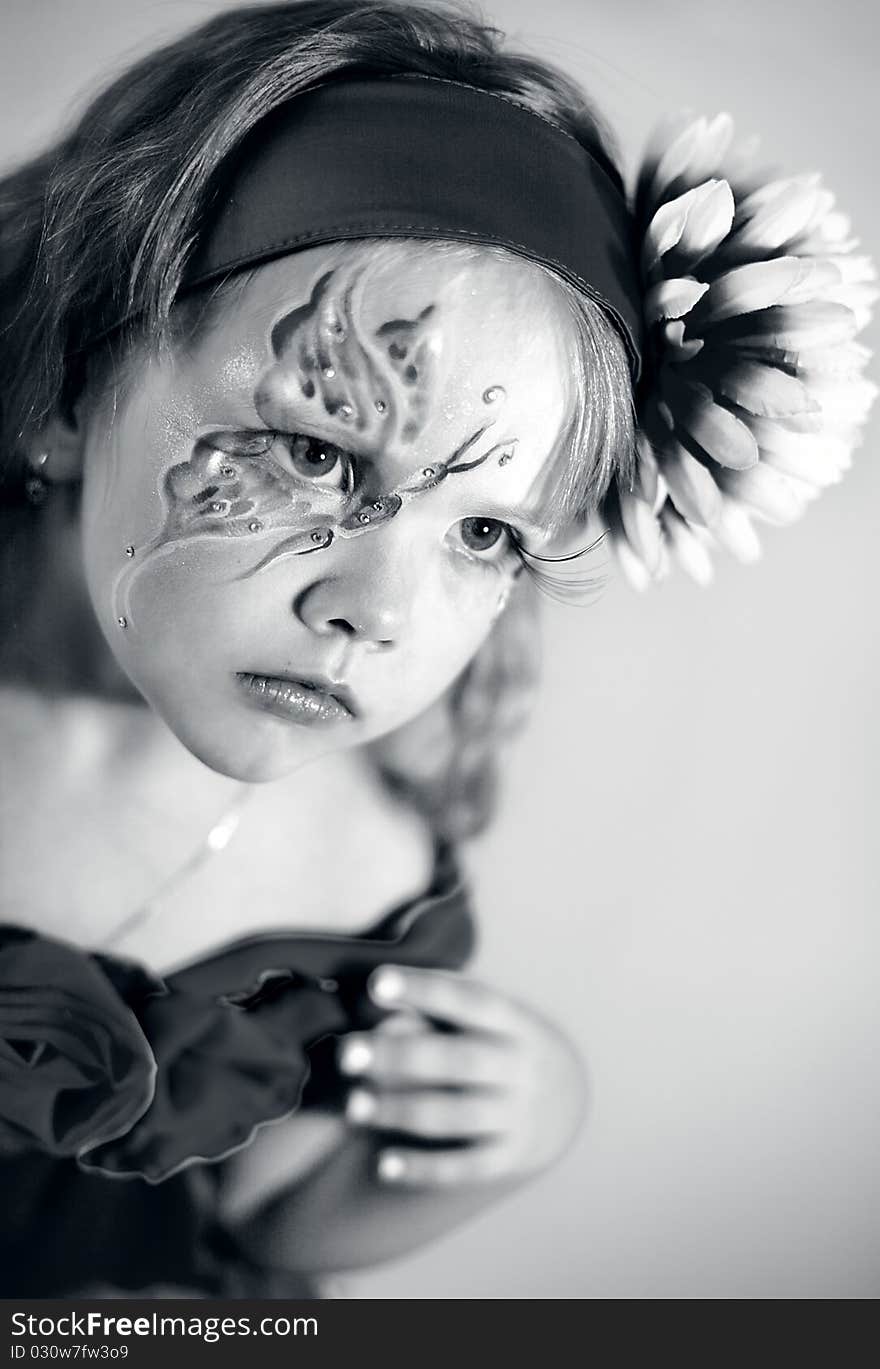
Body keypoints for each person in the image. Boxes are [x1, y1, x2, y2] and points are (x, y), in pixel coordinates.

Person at [0, 0, 873, 1298]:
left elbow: (255, 1240)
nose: (378, 609)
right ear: (76, 382)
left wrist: (485, 1151)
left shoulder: (359, 894)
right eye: (315, 452)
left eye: (483, 534)